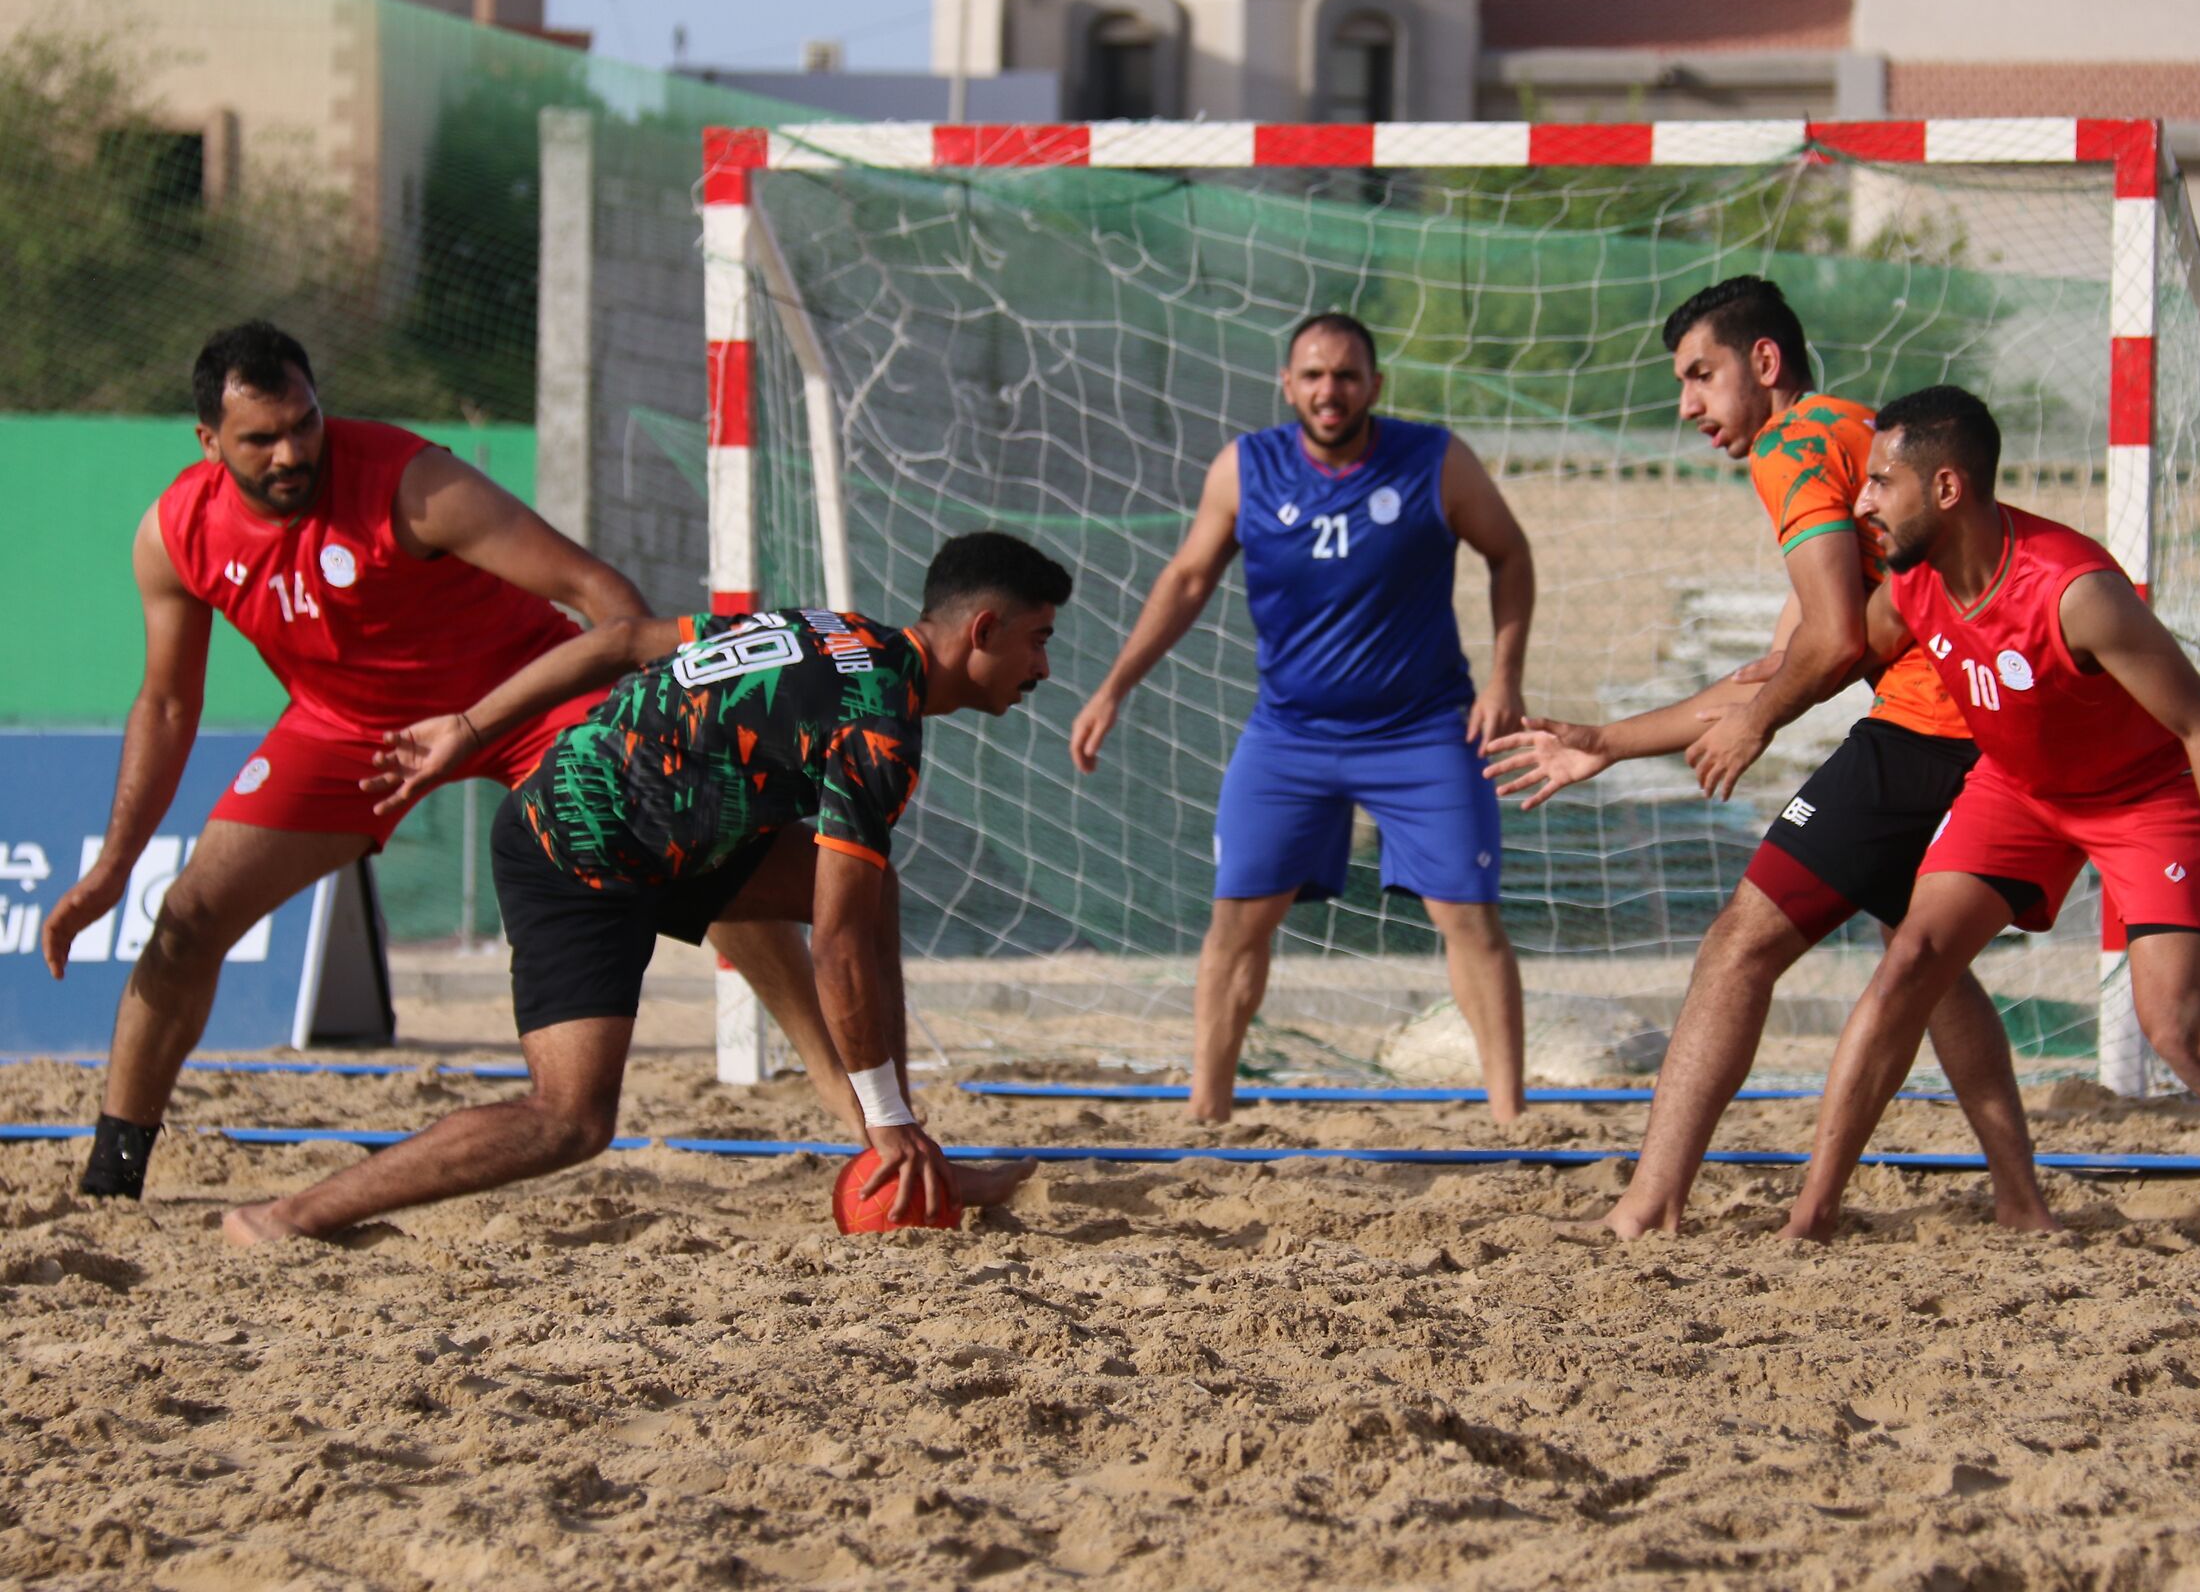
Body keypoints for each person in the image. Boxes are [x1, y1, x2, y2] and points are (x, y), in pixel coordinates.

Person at [224, 531, 1070, 1245]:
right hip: (575, 853)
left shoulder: (832, 629)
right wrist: (470, 730)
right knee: (570, 1123)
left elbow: (620, 640)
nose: (1041, 667)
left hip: (675, 833)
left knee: (859, 885)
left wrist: (472, 727)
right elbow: (839, 945)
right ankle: (286, 1217)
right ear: (983, 631)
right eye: (1038, 640)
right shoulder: (880, 729)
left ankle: (886, 1139)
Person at [1482, 278, 2052, 1235]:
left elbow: (1822, 649)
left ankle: (1650, 1207)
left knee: (1737, 947)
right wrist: (1608, 745)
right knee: (1926, 960)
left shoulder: (1791, 448)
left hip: (1931, 726)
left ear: (1766, 363)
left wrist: (1759, 725)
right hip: (1991, 718)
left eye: (1701, 375)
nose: (1687, 405)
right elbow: (1789, 665)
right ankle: (2021, 1203)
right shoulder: (1856, 435)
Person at [42, 321, 649, 1204]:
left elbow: (596, 591)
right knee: (187, 918)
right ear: (208, 443)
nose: (291, 452)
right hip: (345, 731)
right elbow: (168, 705)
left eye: (305, 423)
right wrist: (112, 866)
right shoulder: (176, 532)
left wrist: (655, 730)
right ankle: (112, 1178)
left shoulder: (412, 482)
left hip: (523, 703)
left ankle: (861, 1102)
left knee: (701, 860)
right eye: (261, 438)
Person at [1766, 385, 2200, 1242]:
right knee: (1911, 961)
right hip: (2019, 790)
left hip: (2144, 800)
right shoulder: (1911, 586)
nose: (1862, 500)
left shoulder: (2074, 591)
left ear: (1946, 489)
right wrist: (1694, 721)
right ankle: (1812, 1220)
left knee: (2182, 1031)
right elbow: (1818, 654)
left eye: (1880, 482)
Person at [1069, 312, 1537, 1123]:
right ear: (1288, 384)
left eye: (1347, 375)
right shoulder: (1245, 469)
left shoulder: (1435, 460)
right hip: (1291, 734)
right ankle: (1205, 1113)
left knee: (1468, 915)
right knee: (1236, 921)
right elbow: (1186, 581)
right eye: (1314, 375)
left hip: (1424, 729)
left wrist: (1505, 677)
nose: (1330, 391)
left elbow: (1511, 552)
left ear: (1374, 387)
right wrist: (1114, 686)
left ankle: (1512, 1118)